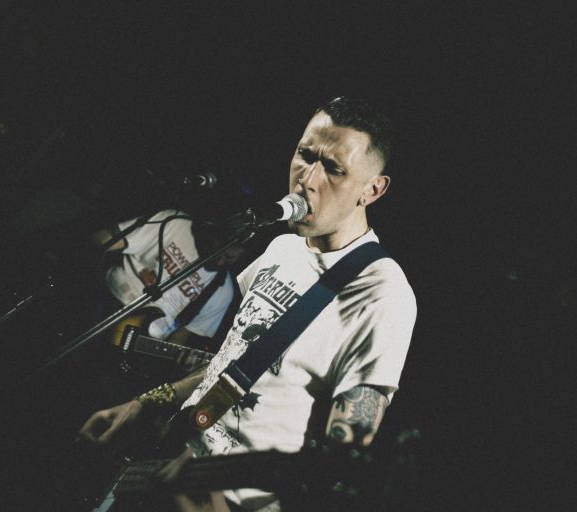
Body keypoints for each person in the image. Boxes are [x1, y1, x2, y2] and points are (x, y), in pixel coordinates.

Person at [79, 97, 417, 511]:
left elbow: (341, 463)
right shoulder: (282, 248)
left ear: (373, 189)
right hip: (166, 464)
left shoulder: (382, 294)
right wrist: (145, 404)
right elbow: (231, 362)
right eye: (305, 155)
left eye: (334, 169)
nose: (308, 180)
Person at [93, 209, 246, 348]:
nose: (220, 261)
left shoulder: (224, 291)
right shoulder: (177, 224)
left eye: (229, 258)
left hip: (138, 341)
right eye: (218, 250)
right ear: (215, 233)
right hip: (107, 301)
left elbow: (180, 338)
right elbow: (107, 239)